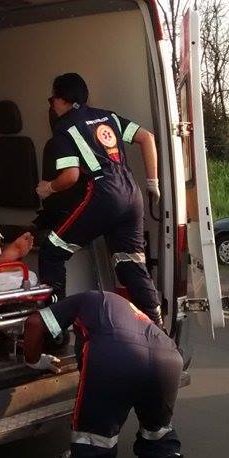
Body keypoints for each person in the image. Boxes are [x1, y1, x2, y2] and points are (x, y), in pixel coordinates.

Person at [23, 291, 184, 458]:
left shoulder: (85, 299)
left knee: (92, 451)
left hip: (117, 354)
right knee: (159, 437)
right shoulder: (126, 310)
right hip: (169, 357)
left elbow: (34, 323)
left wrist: (35, 361)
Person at [36, 73, 164, 326]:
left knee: (51, 252)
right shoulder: (109, 117)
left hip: (104, 194)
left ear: (62, 99)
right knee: (129, 263)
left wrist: (48, 188)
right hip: (132, 194)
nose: (52, 105)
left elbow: (71, 176)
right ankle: (158, 331)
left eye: (52, 100)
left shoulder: (64, 127)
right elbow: (147, 138)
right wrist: (153, 183)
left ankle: (54, 329)